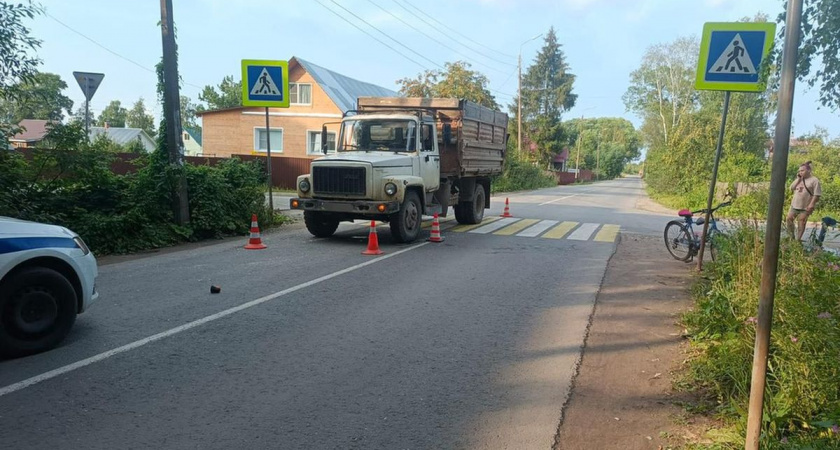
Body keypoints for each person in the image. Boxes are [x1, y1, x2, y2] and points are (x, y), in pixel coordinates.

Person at [786, 161, 821, 241]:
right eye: (799, 171)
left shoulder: (814, 180)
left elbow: (817, 194)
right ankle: (791, 237)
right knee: (789, 218)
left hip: (806, 206)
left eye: (802, 170)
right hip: (795, 204)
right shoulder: (799, 179)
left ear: (809, 171)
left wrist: (811, 204)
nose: (800, 172)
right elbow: (792, 188)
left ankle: (798, 239)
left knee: (801, 221)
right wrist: (798, 179)